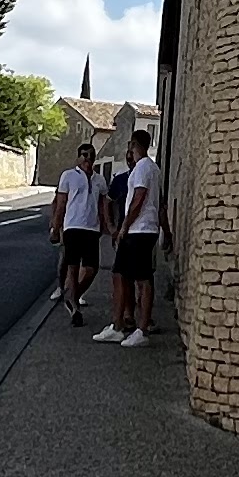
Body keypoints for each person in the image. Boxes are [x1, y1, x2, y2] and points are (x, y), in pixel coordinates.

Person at [100, 132, 159, 343]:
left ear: (134, 145)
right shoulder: (152, 168)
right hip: (138, 229)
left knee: (142, 278)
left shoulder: (143, 167)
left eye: (131, 147)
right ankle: (117, 325)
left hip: (140, 230)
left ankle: (141, 330)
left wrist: (124, 225)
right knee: (120, 274)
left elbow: (139, 198)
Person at [53, 145, 106, 324]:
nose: (87, 159)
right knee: (73, 268)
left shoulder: (99, 180)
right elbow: (61, 204)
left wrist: (106, 226)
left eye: (91, 156)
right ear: (78, 157)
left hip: (92, 229)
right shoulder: (68, 176)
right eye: (84, 155)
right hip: (73, 227)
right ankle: (75, 310)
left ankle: (73, 297)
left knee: (92, 269)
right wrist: (56, 228)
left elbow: (103, 205)